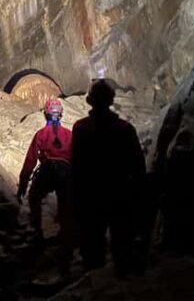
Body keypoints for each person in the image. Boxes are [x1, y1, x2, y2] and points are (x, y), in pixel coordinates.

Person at [72, 78, 146, 275]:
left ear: (90, 101)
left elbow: (76, 166)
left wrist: (75, 198)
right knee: (122, 246)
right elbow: (138, 167)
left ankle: (93, 286)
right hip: (119, 194)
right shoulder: (125, 129)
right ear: (112, 100)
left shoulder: (80, 129)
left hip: (91, 196)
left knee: (92, 248)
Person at [17, 98, 74, 269]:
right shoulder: (69, 134)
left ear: (45, 114)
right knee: (66, 206)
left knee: (35, 197)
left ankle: (37, 232)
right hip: (66, 170)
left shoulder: (41, 134)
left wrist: (22, 185)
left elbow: (30, 161)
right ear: (61, 115)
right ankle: (67, 241)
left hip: (49, 169)